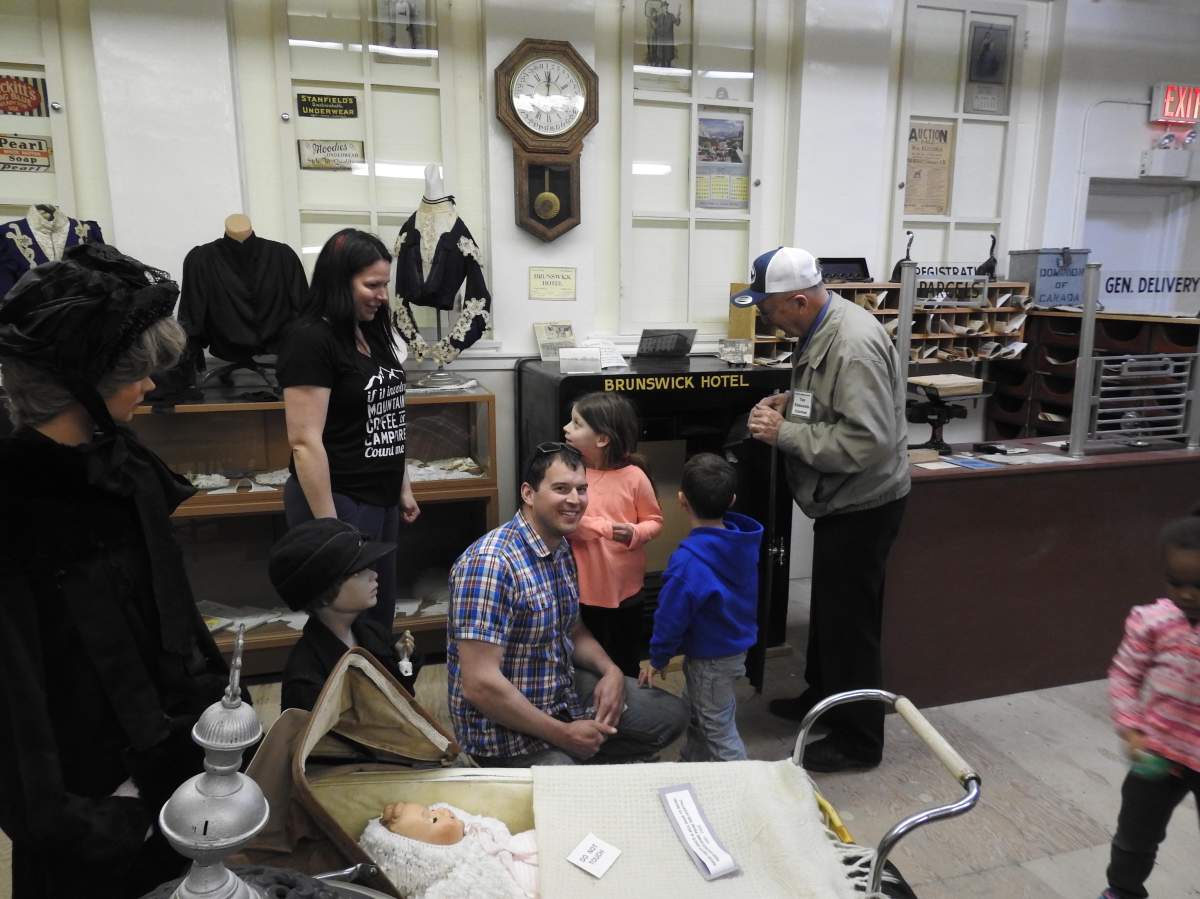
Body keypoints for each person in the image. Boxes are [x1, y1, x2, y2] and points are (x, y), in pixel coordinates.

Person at [0, 243, 232, 898]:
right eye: (136, 374)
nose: (151, 385)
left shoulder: (127, 471)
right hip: (88, 803)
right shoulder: (16, 507)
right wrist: (81, 818)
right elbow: (13, 703)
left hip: (172, 774)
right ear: (85, 386)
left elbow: (172, 607)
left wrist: (212, 705)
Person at [736, 246, 909, 773]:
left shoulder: (851, 344)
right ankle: (822, 696)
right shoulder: (819, 328)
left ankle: (858, 741)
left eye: (768, 307)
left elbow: (867, 441)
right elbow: (836, 406)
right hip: (841, 500)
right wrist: (795, 403)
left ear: (798, 300)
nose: (764, 315)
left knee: (851, 624)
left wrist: (783, 433)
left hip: (865, 502)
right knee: (831, 616)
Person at [446, 443, 687, 766]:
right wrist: (562, 734)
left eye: (581, 489)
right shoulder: (490, 565)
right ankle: (569, 758)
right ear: (529, 494)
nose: (575, 500)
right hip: (502, 734)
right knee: (565, 780)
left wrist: (611, 671)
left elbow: (573, 629)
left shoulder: (560, 548)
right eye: (561, 489)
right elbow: (480, 686)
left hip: (557, 691)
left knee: (670, 715)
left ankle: (580, 754)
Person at [278, 228, 420, 631]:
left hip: (380, 496)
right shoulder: (309, 338)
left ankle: (375, 688)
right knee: (343, 619)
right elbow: (304, 442)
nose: (382, 296)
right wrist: (332, 529)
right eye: (371, 285)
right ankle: (337, 692)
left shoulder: (373, 332)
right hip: (337, 499)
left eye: (385, 285)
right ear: (340, 281)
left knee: (377, 614)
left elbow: (388, 416)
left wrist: (402, 486)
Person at [1099, 513, 1200, 899]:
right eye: (1176, 582)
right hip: (1157, 753)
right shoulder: (1151, 621)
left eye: (1199, 585)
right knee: (1134, 836)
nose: (1187, 594)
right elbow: (1124, 675)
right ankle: (1122, 890)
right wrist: (1132, 728)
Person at [639, 452, 762, 762]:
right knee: (699, 714)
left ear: (681, 500)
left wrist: (658, 656)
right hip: (732, 648)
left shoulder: (687, 563)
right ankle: (692, 766)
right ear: (732, 500)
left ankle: (749, 787)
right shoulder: (740, 545)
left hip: (711, 658)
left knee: (717, 728)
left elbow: (670, 617)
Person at [562, 391, 663, 677]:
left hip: (627, 590)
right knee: (583, 659)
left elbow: (654, 521)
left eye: (576, 423)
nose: (566, 429)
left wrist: (633, 532)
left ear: (602, 439)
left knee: (625, 659)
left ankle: (627, 710)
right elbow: (569, 523)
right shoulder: (572, 472)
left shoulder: (634, 476)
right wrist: (605, 528)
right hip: (582, 591)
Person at [270, 517, 418, 712]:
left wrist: (402, 660)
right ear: (322, 592)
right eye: (357, 571)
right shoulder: (306, 678)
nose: (373, 575)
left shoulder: (374, 635)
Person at [360, 801, 537, 899]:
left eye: (431, 810)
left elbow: (498, 830)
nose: (442, 811)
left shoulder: (471, 834)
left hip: (528, 845)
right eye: (434, 819)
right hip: (528, 883)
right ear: (426, 857)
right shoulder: (451, 887)